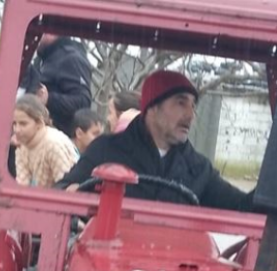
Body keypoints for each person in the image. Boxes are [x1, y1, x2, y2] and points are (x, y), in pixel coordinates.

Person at [57, 70, 254, 211]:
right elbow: (62, 191)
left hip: (175, 264)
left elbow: (243, 206)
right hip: (109, 261)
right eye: (180, 103)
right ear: (152, 107)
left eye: (192, 106)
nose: (190, 114)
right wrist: (75, 196)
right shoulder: (106, 150)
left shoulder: (198, 169)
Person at [13, 94, 78, 188]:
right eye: (14, 124)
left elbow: (65, 186)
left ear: (39, 123)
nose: (17, 130)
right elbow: (22, 185)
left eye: (23, 124)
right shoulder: (22, 145)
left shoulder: (54, 144)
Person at [33, 34, 92, 135]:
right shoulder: (41, 60)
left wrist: (49, 99)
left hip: (58, 139)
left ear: (52, 33)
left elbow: (83, 102)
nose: (36, 36)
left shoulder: (72, 58)